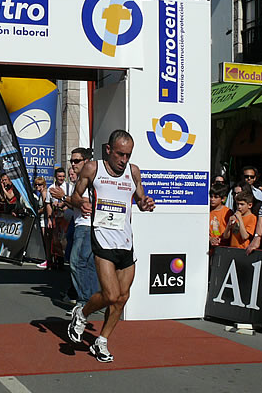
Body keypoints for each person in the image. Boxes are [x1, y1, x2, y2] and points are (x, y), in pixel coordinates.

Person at [67, 130, 155, 362]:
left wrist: (146, 203)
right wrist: (82, 202)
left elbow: (140, 198)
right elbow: (74, 196)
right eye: (120, 154)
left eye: (128, 155)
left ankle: (101, 341)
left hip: (126, 242)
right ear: (108, 150)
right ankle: (82, 313)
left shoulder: (133, 171)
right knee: (111, 294)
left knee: (122, 297)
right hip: (102, 239)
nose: (123, 160)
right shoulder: (93, 169)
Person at [51, 147, 99, 309]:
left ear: (86, 161)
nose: (73, 164)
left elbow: (84, 204)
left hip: (86, 226)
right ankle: (90, 300)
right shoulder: (82, 179)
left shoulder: (87, 179)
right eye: (71, 161)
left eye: (76, 160)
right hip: (82, 224)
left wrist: (63, 197)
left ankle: (84, 301)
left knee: (77, 263)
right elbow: (80, 204)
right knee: (87, 264)